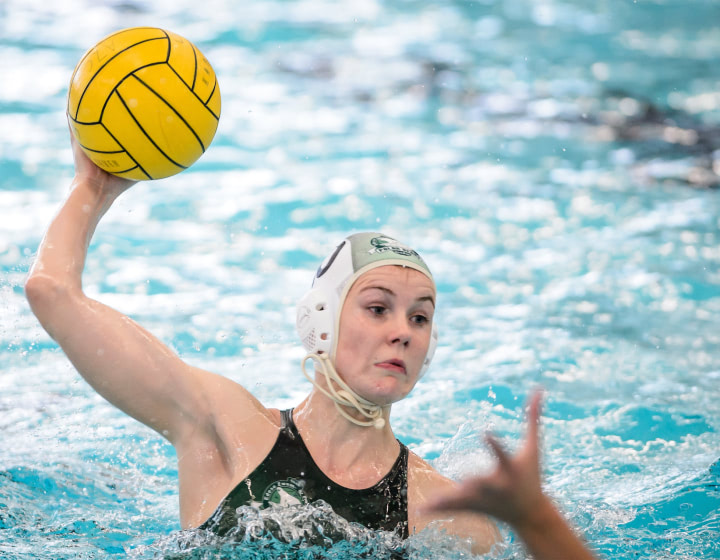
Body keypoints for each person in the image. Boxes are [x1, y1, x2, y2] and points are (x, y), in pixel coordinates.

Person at [24, 131, 598, 559]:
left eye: (420, 318)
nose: (402, 330)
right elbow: (52, 293)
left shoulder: (443, 512)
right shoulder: (224, 428)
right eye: (377, 308)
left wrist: (534, 519)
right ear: (321, 321)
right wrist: (94, 186)